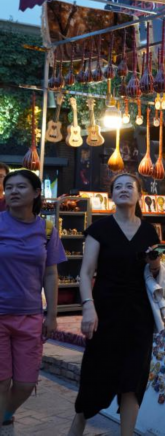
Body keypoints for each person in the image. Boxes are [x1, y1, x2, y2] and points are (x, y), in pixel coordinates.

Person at [68, 173, 162, 436]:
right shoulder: (99, 229)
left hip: (139, 315)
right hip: (105, 312)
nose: (123, 190)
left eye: (129, 186)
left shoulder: (148, 231)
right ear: (111, 195)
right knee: (96, 373)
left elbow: (154, 273)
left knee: (133, 379)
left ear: (139, 194)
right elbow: (86, 272)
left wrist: (155, 264)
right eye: (118, 187)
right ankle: (77, 425)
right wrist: (88, 306)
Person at [0, 169, 65, 436]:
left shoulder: (46, 230)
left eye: (21, 187)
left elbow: (51, 274)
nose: (13, 191)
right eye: (9, 187)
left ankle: (5, 416)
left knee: (26, 384)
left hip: (31, 316)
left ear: (37, 192)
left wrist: (52, 314)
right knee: (1, 382)